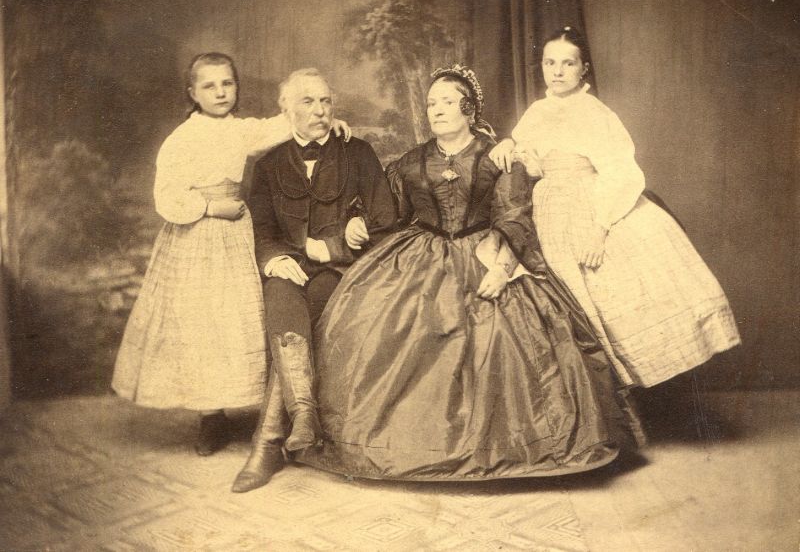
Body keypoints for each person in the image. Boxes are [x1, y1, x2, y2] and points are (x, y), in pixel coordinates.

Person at [295, 64, 644, 482]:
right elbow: (388, 211)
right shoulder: (412, 161)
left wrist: (502, 267)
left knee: (503, 340)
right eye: (432, 104)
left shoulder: (496, 157)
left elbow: (514, 216)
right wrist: (357, 219)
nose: (437, 110)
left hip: (486, 251)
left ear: (469, 109)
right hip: (420, 255)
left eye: (447, 102)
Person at [112, 53, 351, 456]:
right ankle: (210, 417)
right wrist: (209, 207)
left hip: (236, 236)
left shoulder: (241, 131)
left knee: (238, 317)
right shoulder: (182, 139)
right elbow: (167, 196)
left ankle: (272, 412)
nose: (221, 92)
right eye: (209, 86)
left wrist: (328, 121)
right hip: (196, 235)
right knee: (202, 322)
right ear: (193, 93)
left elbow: (283, 124)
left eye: (227, 84)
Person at [489, 27, 741, 388]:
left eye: (567, 63)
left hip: (588, 205)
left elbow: (621, 172)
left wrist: (599, 229)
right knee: (561, 302)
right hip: (547, 208)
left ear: (583, 69)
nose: (557, 71)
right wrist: (507, 144)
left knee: (612, 298)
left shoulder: (595, 113)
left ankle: (623, 396)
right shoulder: (538, 111)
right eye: (549, 63)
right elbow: (526, 150)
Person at [231, 68, 397, 492]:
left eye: (325, 101)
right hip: (289, 265)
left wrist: (337, 246)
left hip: (338, 271)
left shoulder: (358, 153)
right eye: (308, 101)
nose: (320, 111)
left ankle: (269, 441)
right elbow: (262, 229)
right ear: (285, 108)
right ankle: (302, 414)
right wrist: (272, 260)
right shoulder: (268, 164)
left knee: (311, 303)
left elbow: (386, 220)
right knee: (281, 295)